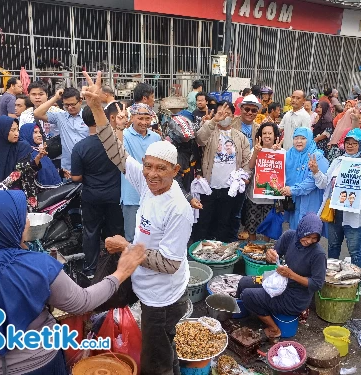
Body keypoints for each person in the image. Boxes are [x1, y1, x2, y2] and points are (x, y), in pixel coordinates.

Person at [0, 189, 145, 374]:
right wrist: (121, 272)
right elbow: (82, 302)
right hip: (37, 364)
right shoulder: (37, 266)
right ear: (7, 224)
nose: (27, 220)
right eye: (22, 216)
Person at [82, 71, 194, 375]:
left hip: (163, 298)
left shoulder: (179, 209)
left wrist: (125, 247)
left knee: (154, 362)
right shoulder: (146, 182)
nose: (152, 174)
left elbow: (170, 263)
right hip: (147, 288)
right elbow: (117, 153)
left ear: (175, 170)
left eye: (161, 169)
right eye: (148, 166)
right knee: (163, 349)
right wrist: (96, 109)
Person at [236, 213, 326, 340]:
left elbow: (317, 284)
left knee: (247, 295)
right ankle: (246, 310)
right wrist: (270, 255)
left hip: (295, 297)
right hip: (281, 282)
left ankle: (275, 329)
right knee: (244, 282)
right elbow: (273, 254)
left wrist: (292, 275)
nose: (309, 241)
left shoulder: (318, 254)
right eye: (307, 236)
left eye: (314, 238)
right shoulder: (290, 236)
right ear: (301, 229)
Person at [312, 128, 361, 271]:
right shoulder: (338, 161)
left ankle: (356, 284)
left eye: (354, 143)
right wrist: (316, 171)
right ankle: (330, 279)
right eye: (347, 142)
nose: (350, 146)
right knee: (333, 247)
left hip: (355, 216)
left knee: (355, 251)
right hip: (335, 213)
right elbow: (324, 183)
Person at [71, 105, 124, 277]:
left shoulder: (80, 147)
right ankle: (115, 266)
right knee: (115, 231)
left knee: (91, 232)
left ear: (85, 122)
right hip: (114, 196)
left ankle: (91, 269)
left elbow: (76, 177)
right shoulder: (114, 144)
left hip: (91, 196)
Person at [192, 102, 250, 242]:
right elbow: (199, 138)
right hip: (209, 187)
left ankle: (221, 253)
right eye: (221, 113)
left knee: (224, 222)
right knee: (204, 221)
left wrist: (245, 176)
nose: (224, 116)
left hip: (229, 188)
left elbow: (246, 160)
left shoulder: (239, 137)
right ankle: (199, 251)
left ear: (233, 116)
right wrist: (213, 121)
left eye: (228, 113)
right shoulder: (210, 132)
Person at [118, 103, 162, 243]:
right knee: (131, 237)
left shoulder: (156, 137)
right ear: (132, 118)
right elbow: (118, 152)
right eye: (140, 118)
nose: (144, 122)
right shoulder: (124, 135)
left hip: (152, 194)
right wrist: (119, 127)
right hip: (131, 195)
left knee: (151, 235)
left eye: (147, 118)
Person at [281, 127, 329, 230]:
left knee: (308, 235)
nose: (298, 141)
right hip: (293, 202)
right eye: (296, 138)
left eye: (303, 138)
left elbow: (311, 182)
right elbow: (278, 170)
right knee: (294, 233)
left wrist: (292, 190)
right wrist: (275, 152)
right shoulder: (289, 154)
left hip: (310, 202)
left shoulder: (317, 157)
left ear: (310, 139)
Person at [34, 87, 89, 171]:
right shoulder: (60, 116)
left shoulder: (88, 116)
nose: (70, 107)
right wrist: (55, 98)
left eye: (73, 104)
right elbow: (37, 113)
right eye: (66, 105)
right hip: (68, 168)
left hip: (87, 164)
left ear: (80, 102)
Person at [243, 122, 282, 241]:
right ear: (259, 136)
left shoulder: (281, 151)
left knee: (268, 226)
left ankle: (266, 249)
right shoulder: (254, 149)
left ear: (275, 136)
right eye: (264, 133)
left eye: (270, 133)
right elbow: (250, 166)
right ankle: (252, 248)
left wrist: (278, 153)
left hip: (271, 197)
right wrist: (255, 152)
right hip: (254, 196)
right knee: (251, 225)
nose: (267, 136)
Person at [0, 116, 40, 181]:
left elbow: (19, 172)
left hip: (18, 189)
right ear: (1, 131)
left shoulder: (22, 147)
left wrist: (1, 186)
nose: (17, 134)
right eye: (12, 130)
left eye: (17, 130)